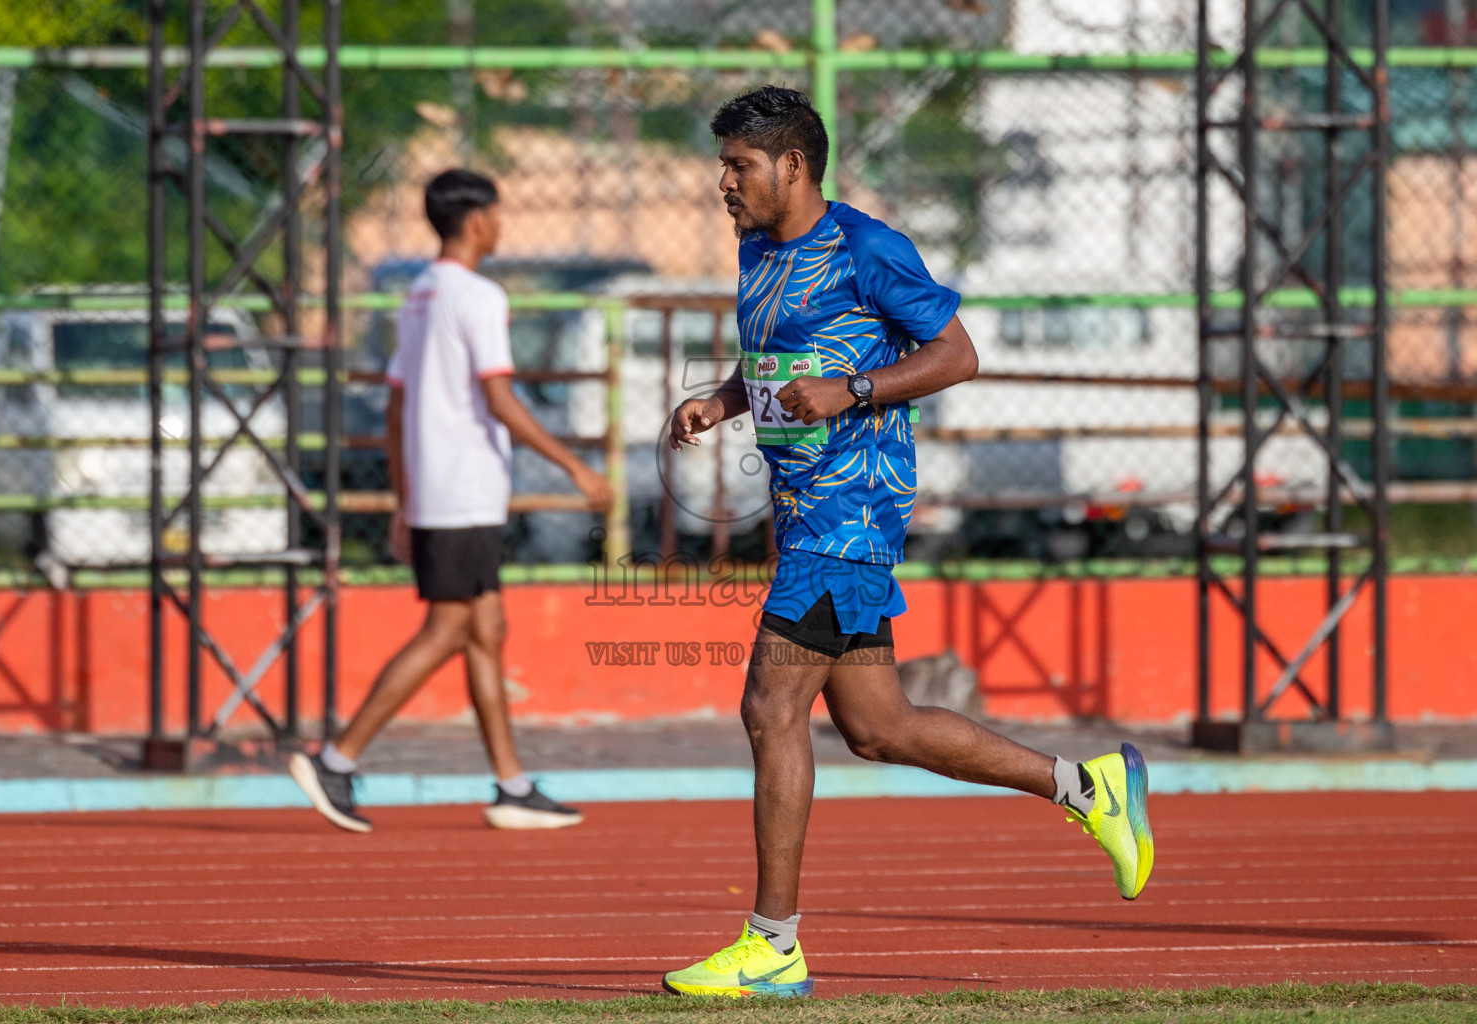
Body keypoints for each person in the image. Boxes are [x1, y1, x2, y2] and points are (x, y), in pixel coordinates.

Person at [659, 87, 1154, 998]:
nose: (722, 181)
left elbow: (956, 354)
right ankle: (1088, 789)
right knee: (878, 729)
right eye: (722, 164)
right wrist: (721, 400)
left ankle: (772, 944)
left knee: (770, 709)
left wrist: (854, 390)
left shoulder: (867, 248)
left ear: (792, 165)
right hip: (802, 513)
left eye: (738, 165)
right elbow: (772, 359)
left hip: (849, 515)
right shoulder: (755, 250)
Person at [291, 169, 612, 834]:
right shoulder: (477, 295)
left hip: (443, 490)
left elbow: (399, 403)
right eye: (496, 215)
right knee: (446, 631)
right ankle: (336, 758)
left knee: (486, 631)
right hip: (464, 489)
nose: (500, 225)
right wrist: (575, 467)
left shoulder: (418, 293)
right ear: (474, 221)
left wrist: (405, 501)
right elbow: (499, 397)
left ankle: (511, 785)